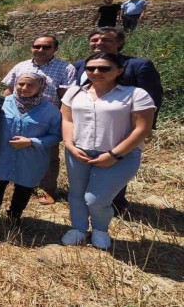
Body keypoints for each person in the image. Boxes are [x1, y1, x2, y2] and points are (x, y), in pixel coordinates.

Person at [60, 52, 155, 250]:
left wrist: (114, 155)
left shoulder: (135, 94)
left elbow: (143, 128)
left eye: (104, 68)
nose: (96, 72)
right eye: (91, 68)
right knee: (76, 194)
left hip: (120, 156)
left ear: (119, 70)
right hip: (79, 152)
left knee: (97, 199)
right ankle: (78, 228)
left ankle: (100, 229)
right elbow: (67, 120)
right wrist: (69, 144)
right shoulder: (75, 92)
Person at [72, 26, 163, 215]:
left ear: (119, 42)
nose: (99, 43)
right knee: (87, 164)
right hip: (86, 126)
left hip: (121, 127)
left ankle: (114, 204)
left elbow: (153, 97)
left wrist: (147, 128)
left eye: (105, 40)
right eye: (95, 40)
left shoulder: (137, 65)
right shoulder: (80, 64)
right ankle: (89, 204)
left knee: (115, 161)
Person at [1, 34, 75, 205]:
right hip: (17, 117)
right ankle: (19, 182)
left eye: (46, 47)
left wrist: (63, 122)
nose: (40, 50)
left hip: (45, 119)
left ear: (55, 49)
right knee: (16, 151)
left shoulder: (65, 68)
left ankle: (45, 191)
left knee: (47, 156)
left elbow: (66, 98)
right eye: (37, 46)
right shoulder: (21, 66)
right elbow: (9, 90)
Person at [0, 73, 62, 227]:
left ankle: (14, 216)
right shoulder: (2, 102)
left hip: (32, 157)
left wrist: (32, 142)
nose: (24, 88)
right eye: (20, 84)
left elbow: (57, 135)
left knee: (24, 187)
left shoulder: (50, 110)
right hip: (2, 154)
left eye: (30, 85)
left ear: (41, 87)